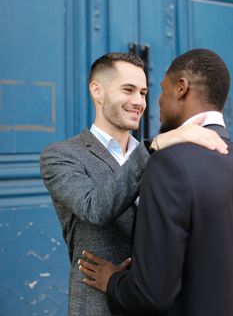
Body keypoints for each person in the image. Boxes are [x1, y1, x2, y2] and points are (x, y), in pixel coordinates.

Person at [40, 52, 228, 316]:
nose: (139, 102)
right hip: (99, 307)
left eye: (143, 93)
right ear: (97, 90)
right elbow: (95, 208)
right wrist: (153, 147)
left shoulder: (163, 157)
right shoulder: (61, 155)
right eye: (128, 90)